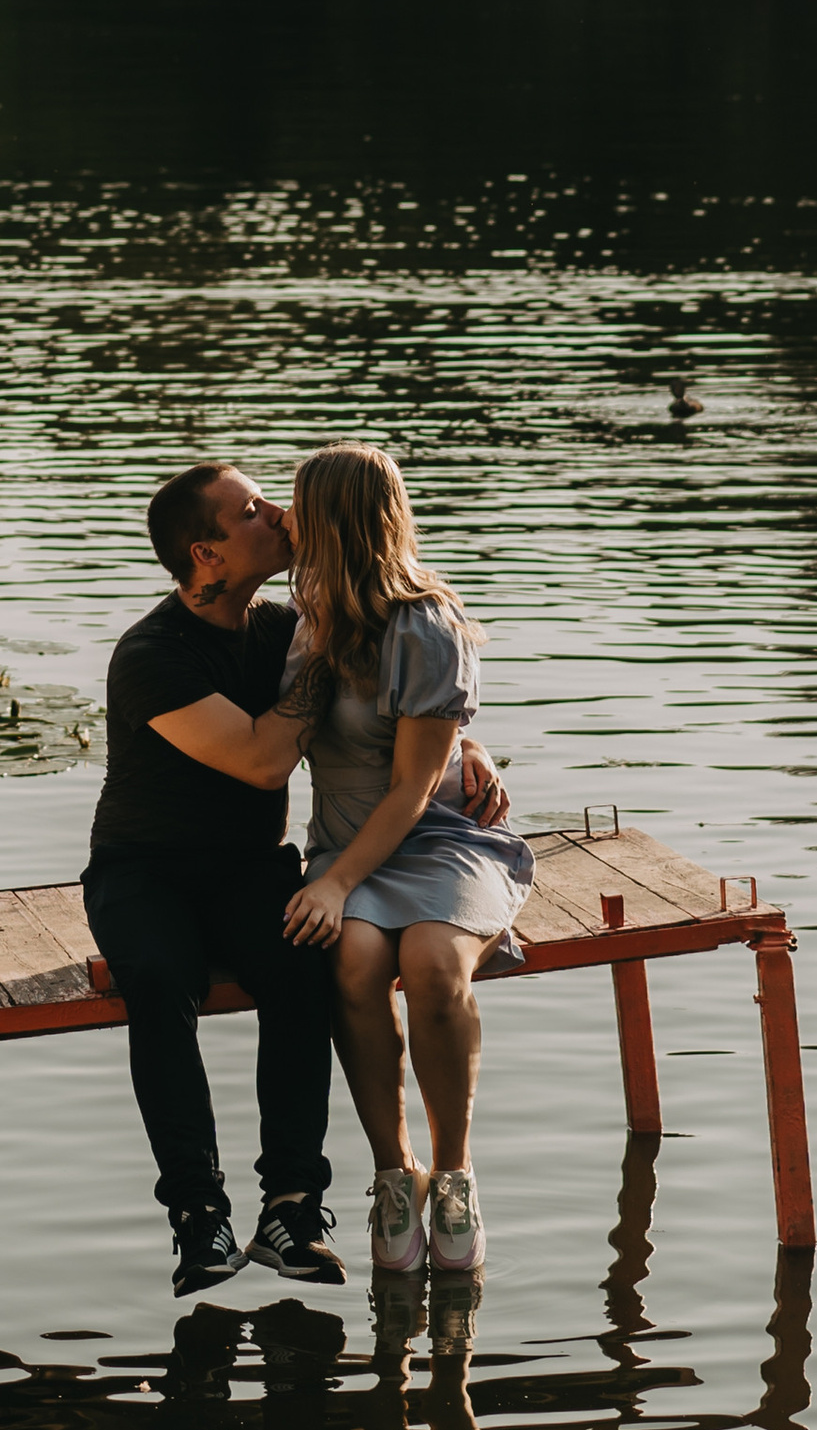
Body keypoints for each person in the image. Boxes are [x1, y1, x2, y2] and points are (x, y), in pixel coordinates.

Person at [82, 461, 509, 1297]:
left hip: (249, 868)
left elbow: (404, 698)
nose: (276, 514)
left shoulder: (286, 628)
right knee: (162, 982)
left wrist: (466, 746)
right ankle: (200, 1218)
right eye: (252, 511)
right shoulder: (151, 656)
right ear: (206, 555)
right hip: (147, 870)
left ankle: (291, 1206)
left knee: (299, 969)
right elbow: (264, 758)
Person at [278, 444, 533, 1277]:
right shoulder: (309, 615)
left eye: (297, 507)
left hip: (436, 838)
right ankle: (395, 1175)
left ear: (333, 520)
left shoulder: (427, 624)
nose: (286, 520)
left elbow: (418, 786)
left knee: (428, 962)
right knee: (352, 958)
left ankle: (454, 1177)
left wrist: (339, 880)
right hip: (347, 839)